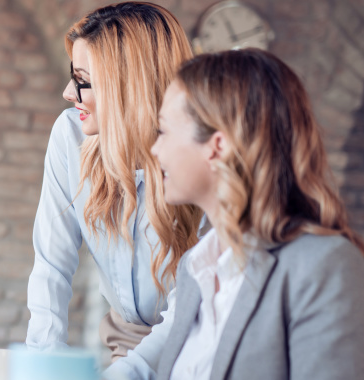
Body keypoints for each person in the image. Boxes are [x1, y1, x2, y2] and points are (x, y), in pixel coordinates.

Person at [147, 49, 364, 379]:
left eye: (162, 131)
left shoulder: (323, 266)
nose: (154, 149)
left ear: (216, 147)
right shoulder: (194, 270)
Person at [26, 2, 203, 361]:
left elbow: (187, 308)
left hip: (196, 347)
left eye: (82, 81)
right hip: (123, 344)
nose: (68, 93)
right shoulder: (70, 135)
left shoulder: (197, 157)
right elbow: (51, 264)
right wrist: (43, 365)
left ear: (127, 86)